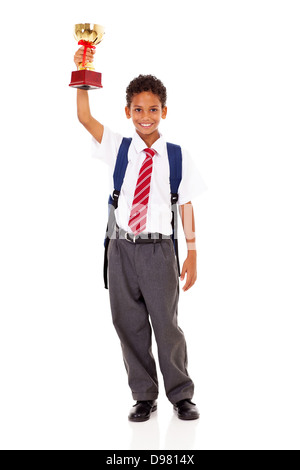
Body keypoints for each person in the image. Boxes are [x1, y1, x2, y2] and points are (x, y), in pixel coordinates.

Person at [74, 46, 202, 422]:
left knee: (166, 325)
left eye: (153, 109)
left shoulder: (177, 156)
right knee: (127, 323)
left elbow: (187, 206)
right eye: (138, 109)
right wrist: (83, 71)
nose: (145, 117)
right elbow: (83, 117)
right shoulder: (119, 147)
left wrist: (193, 252)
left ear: (164, 111)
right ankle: (144, 395)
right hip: (120, 249)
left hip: (159, 251)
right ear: (127, 111)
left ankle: (181, 394)